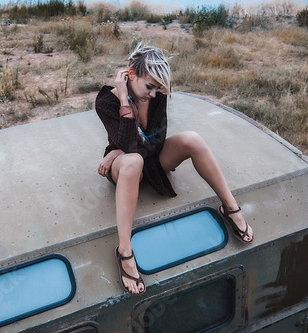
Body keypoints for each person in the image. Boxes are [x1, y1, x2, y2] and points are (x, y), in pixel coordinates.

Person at [95, 44, 253, 295]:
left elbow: (157, 141)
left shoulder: (155, 97)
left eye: (159, 88)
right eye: (150, 86)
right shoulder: (106, 101)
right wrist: (124, 101)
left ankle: (230, 207)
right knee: (133, 160)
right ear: (130, 74)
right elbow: (129, 147)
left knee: (192, 139)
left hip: (150, 159)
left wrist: (118, 149)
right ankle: (125, 251)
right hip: (124, 168)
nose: (155, 94)